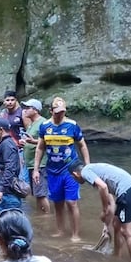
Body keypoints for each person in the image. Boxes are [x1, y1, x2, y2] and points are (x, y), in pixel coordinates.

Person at [32, 97, 90, 241]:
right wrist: (36, 169)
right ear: (51, 111)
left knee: (71, 202)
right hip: (52, 170)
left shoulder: (72, 125)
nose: (60, 114)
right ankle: (60, 231)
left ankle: (75, 234)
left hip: (71, 169)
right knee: (57, 203)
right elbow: (40, 148)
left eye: (62, 112)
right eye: (57, 112)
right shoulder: (44, 126)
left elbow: (82, 145)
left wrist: (87, 166)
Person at [71, 161, 131, 262]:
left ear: (75, 174)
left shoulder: (86, 171)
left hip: (128, 191)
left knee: (126, 231)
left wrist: (104, 209)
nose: (75, 180)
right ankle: (116, 254)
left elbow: (104, 187)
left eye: (73, 178)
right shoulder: (95, 170)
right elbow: (111, 202)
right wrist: (106, 222)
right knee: (116, 224)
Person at [0, 116, 24, 228]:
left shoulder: (8, 145)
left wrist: (0, 189)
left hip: (8, 195)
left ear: (0, 129)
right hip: (2, 194)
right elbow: (1, 172)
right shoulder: (4, 144)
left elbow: (10, 169)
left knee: (11, 232)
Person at [20, 99, 50, 215]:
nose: (25, 110)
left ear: (36, 110)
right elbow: (33, 141)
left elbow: (48, 142)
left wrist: (32, 141)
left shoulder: (43, 123)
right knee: (37, 194)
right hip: (31, 164)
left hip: (40, 164)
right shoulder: (32, 123)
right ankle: (40, 215)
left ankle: (47, 216)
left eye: (28, 108)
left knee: (41, 194)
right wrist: (25, 143)